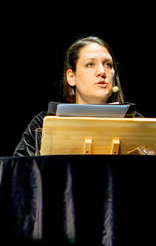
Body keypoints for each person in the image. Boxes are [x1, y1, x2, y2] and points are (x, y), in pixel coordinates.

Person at [13, 36, 142, 156]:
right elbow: (21, 173)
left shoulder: (137, 123)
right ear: (71, 77)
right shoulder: (43, 124)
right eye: (90, 64)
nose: (102, 72)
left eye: (108, 64)